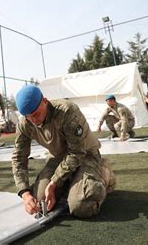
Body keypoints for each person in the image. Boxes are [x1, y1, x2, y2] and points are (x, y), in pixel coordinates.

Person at [11, 85, 115, 219]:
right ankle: (72, 182)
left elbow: (76, 153)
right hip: (58, 158)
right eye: (28, 117)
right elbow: (19, 158)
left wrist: (54, 183)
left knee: (82, 205)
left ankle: (103, 173)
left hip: (86, 155)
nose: (34, 120)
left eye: (36, 114)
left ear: (45, 101)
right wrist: (25, 194)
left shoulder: (66, 111)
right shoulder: (25, 123)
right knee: (40, 200)